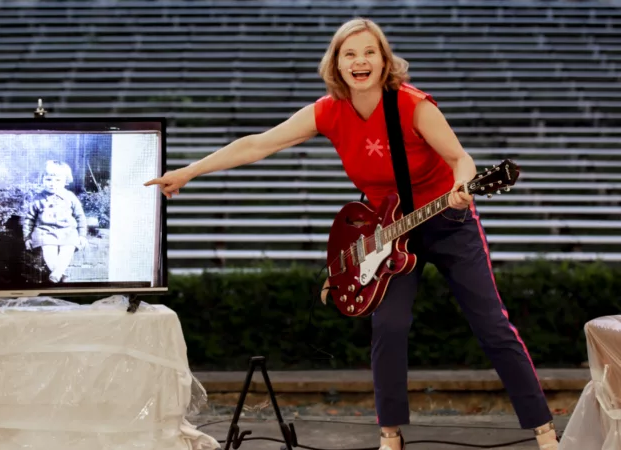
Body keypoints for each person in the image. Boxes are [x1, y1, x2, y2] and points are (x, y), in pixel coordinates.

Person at [144, 17, 559, 450]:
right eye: (350, 54)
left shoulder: (413, 105)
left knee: (491, 326)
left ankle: (544, 430)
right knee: (390, 326)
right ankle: (390, 435)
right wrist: (190, 171)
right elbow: (258, 144)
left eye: (369, 53)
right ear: (337, 64)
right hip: (390, 229)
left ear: (384, 60)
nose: (360, 61)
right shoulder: (329, 111)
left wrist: (462, 189)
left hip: (446, 218)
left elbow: (461, 158)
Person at [23, 160, 88, 283]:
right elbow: (29, 219)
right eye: (48, 180)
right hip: (45, 231)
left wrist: (82, 236)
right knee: (48, 248)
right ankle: (59, 274)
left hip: (67, 231)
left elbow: (80, 217)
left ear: (66, 181)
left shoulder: (70, 197)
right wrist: (27, 238)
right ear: (43, 180)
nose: (52, 184)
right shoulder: (38, 199)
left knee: (68, 247)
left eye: (57, 180)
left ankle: (57, 273)